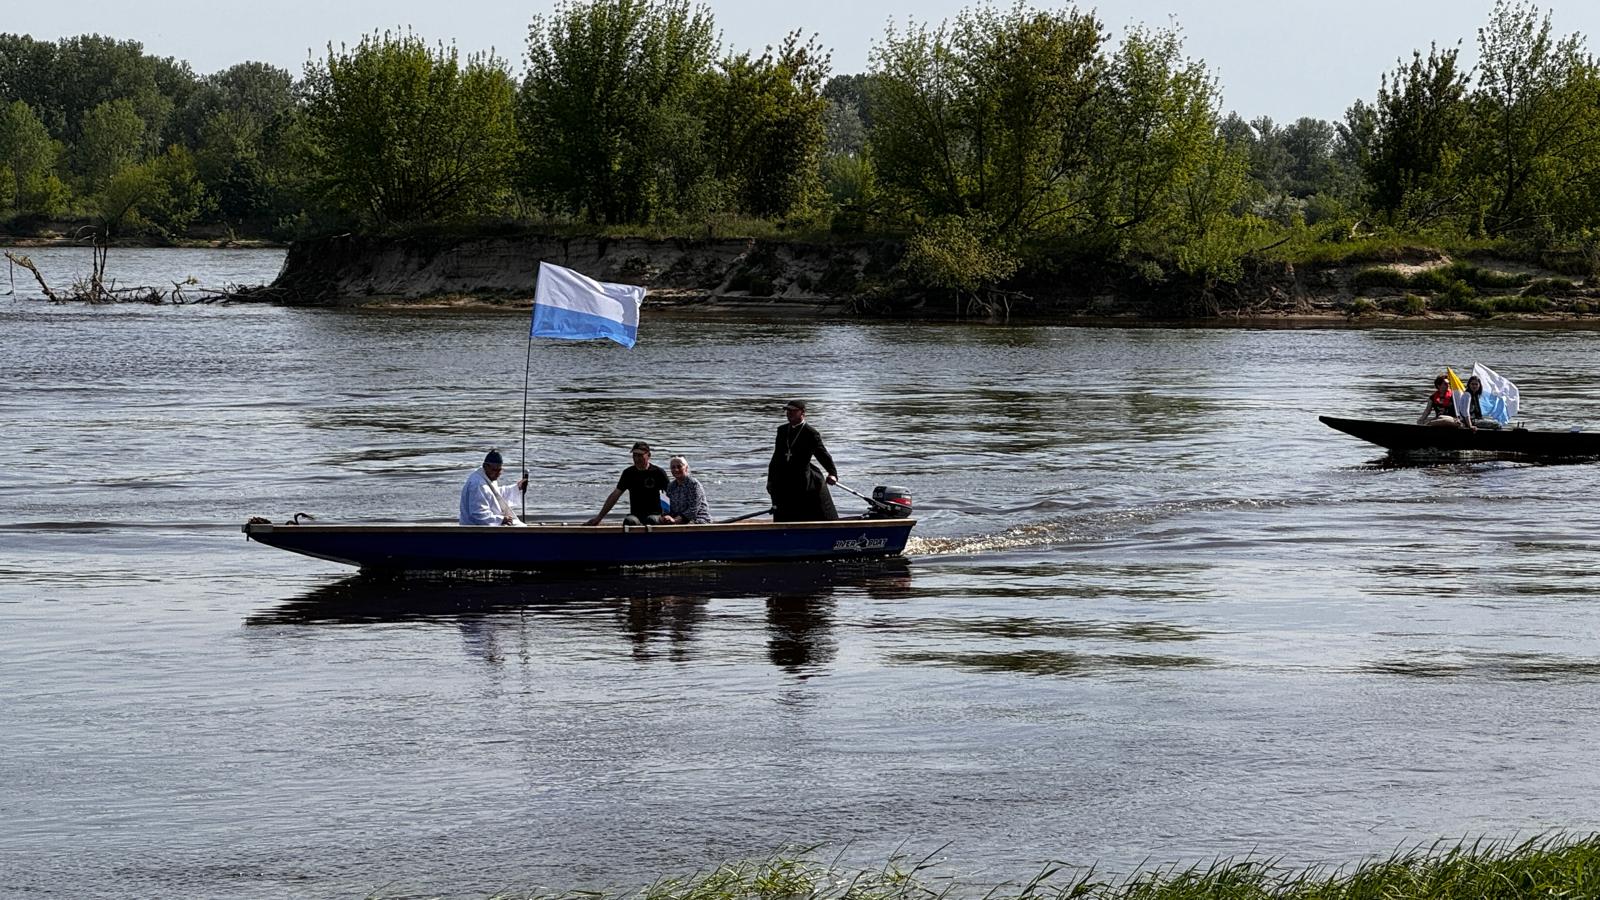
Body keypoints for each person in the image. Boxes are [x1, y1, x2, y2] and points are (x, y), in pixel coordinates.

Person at [766, 399, 838, 522]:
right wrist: (770, 480)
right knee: (781, 506)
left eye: (793, 411)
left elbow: (822, 455)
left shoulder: (811, 433)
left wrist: (832, 473)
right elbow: (776, 457)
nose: (789, 414)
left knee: (806, 509)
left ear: (802, 412)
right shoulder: (782, 430)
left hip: (802, 478)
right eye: (787, 411)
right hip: (784, 476)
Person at [587, 441, 671, 526]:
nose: (636, 459)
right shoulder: (628, 473)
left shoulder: (658, 472)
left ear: (648, 455)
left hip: (655, 514)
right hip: (636, 515)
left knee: (651, 520)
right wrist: (599, 518)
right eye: (634, 455)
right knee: (629, 521)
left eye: (640, 455)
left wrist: (673, 517)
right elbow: (615, 496)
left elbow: (671, 494)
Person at [459, 449, 528, 526]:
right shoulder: (477, 484)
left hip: (487, 525)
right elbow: (478, 514)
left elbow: (495, 495)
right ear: (485, 466)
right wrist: (501, 519)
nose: (498, 473)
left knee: (519, 524)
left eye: (500, 470)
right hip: (474, 528)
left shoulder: (488, 477)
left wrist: (517, 487)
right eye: (495, 470)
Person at [661, 455, 712, 524]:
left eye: (679, 466)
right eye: (673, 467)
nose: (676, 469)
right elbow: (667, 508)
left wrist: (675, 520)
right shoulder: (671, 486)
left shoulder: (694, 484)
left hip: (697, 519)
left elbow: (693, 510)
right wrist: (666, 516)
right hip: (676, 519)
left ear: (686, 468)